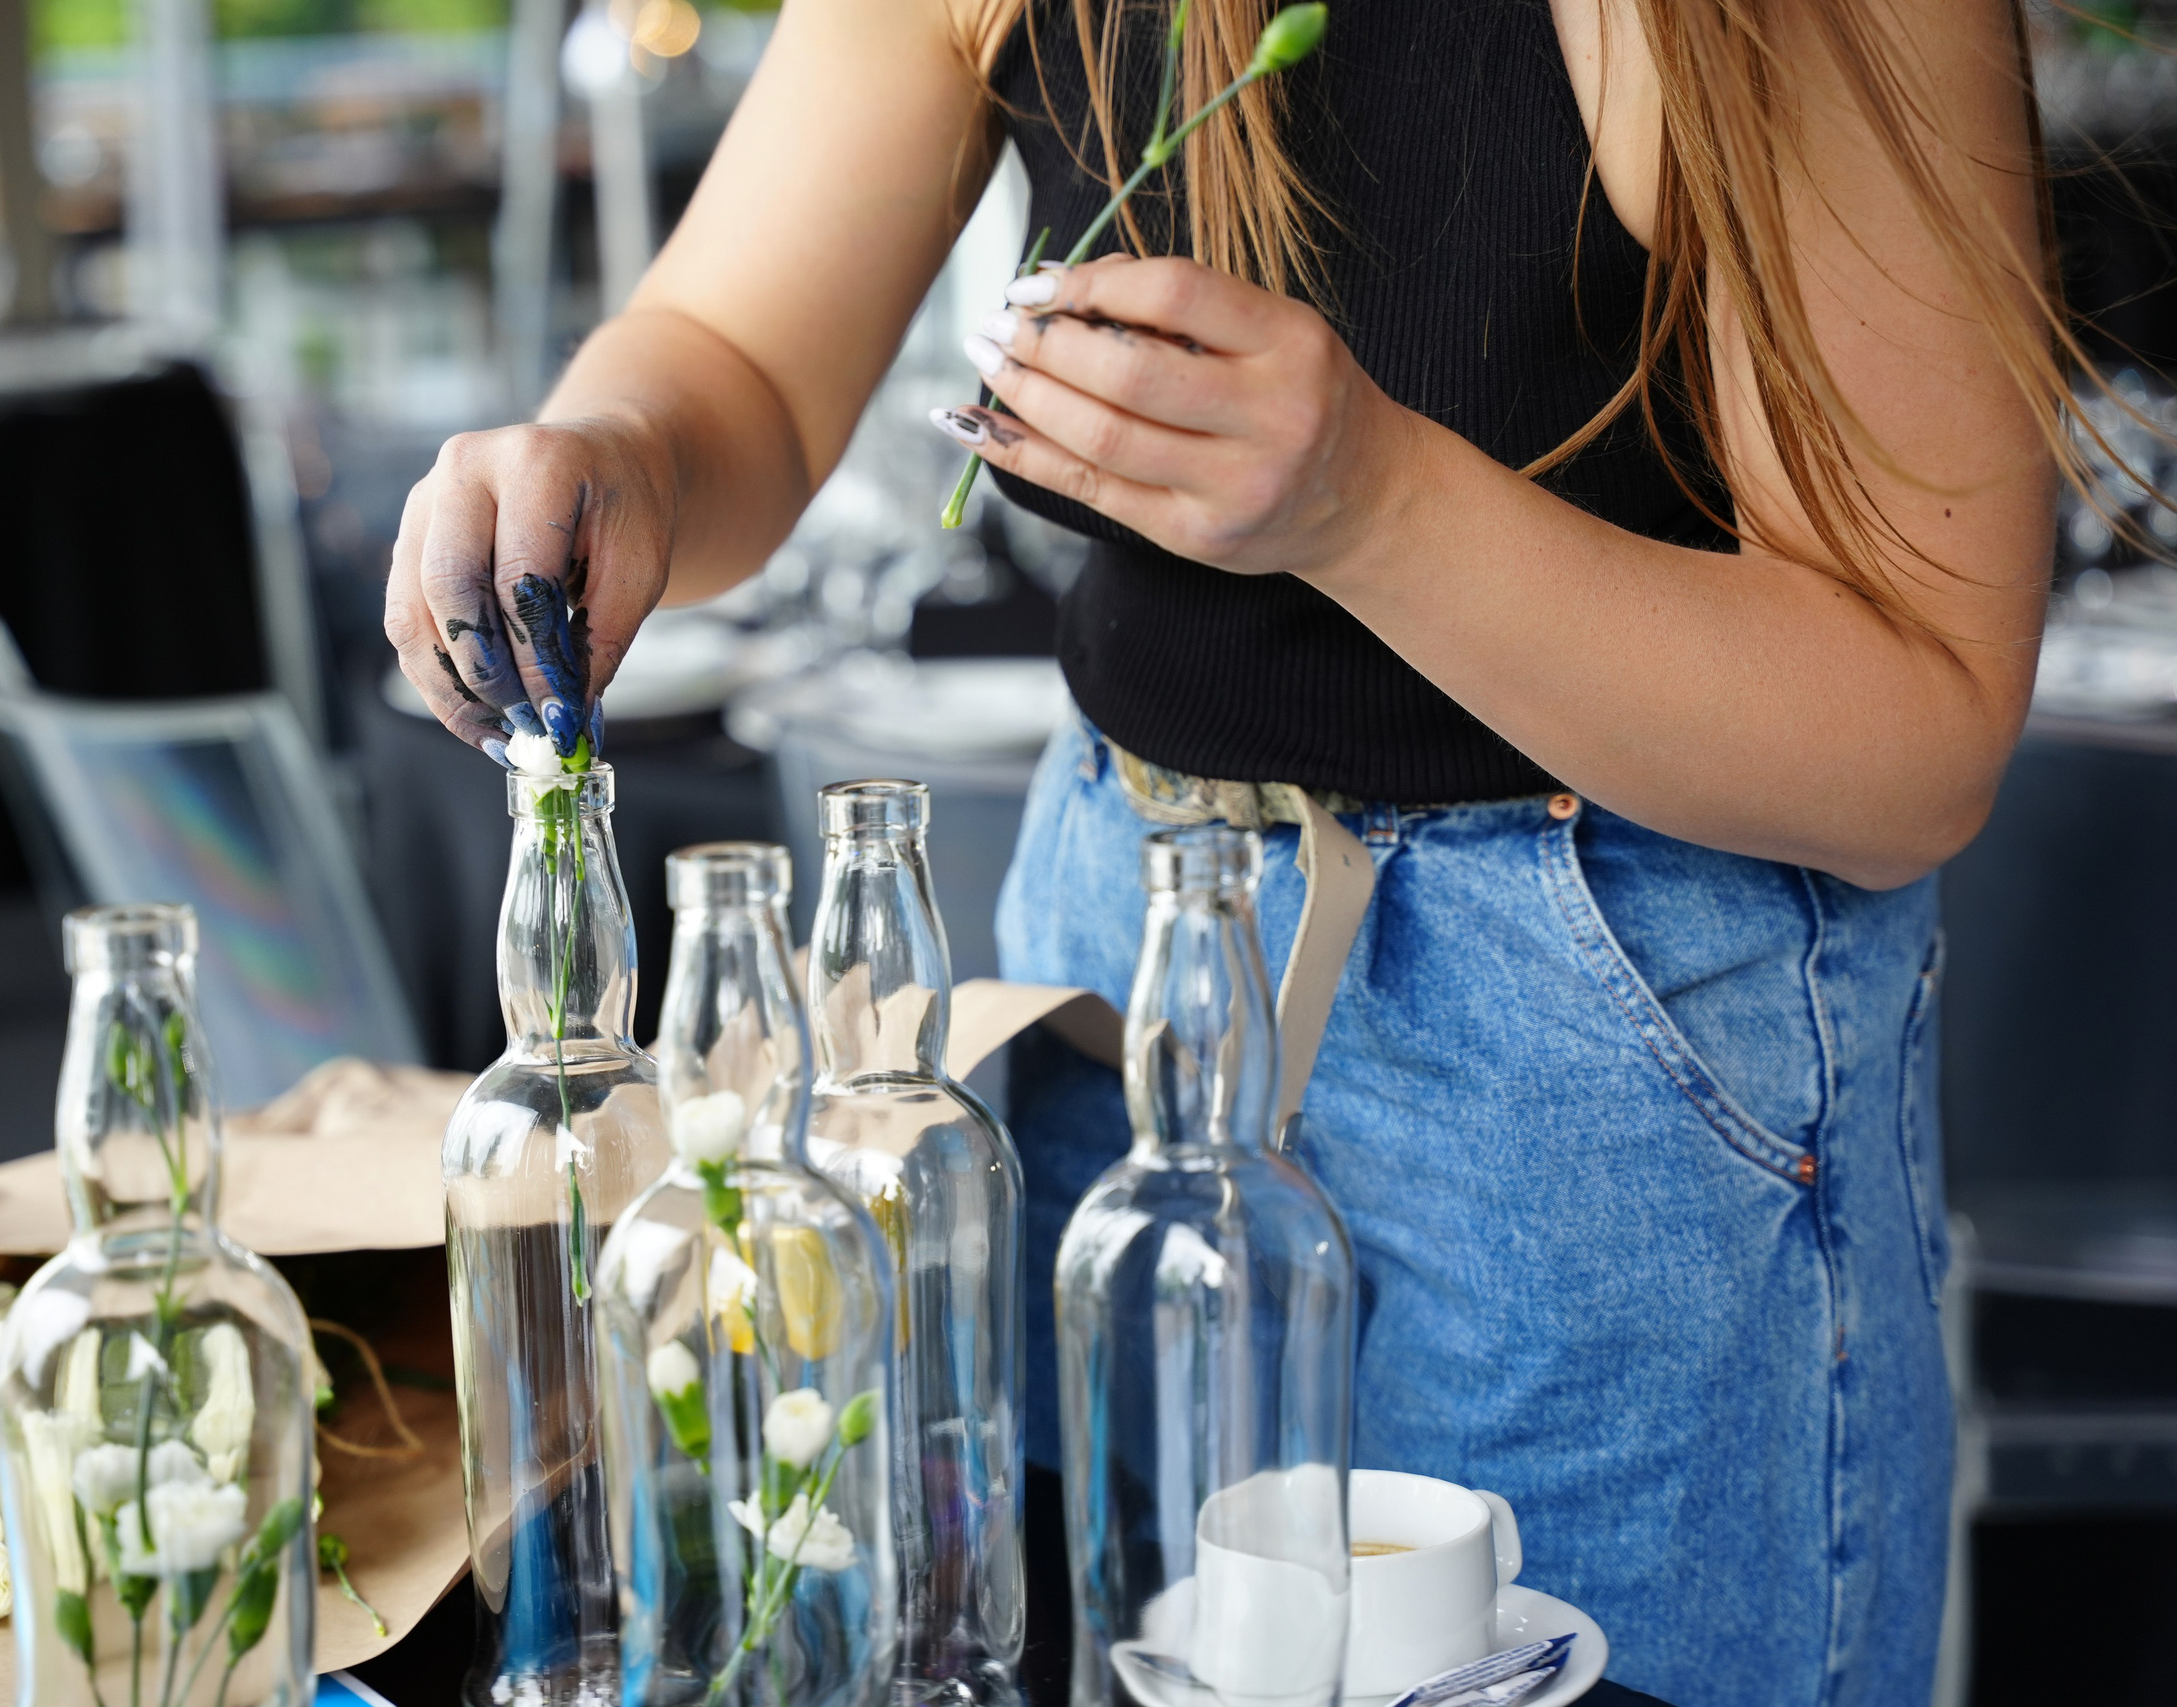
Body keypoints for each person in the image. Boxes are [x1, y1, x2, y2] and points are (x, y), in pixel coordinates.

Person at [386, 0, 2076, 1700]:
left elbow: (1913, 735)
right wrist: (618, 452)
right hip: (1120, 967)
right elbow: (739, 361)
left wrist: (1373, 503)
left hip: (1592, 1077)